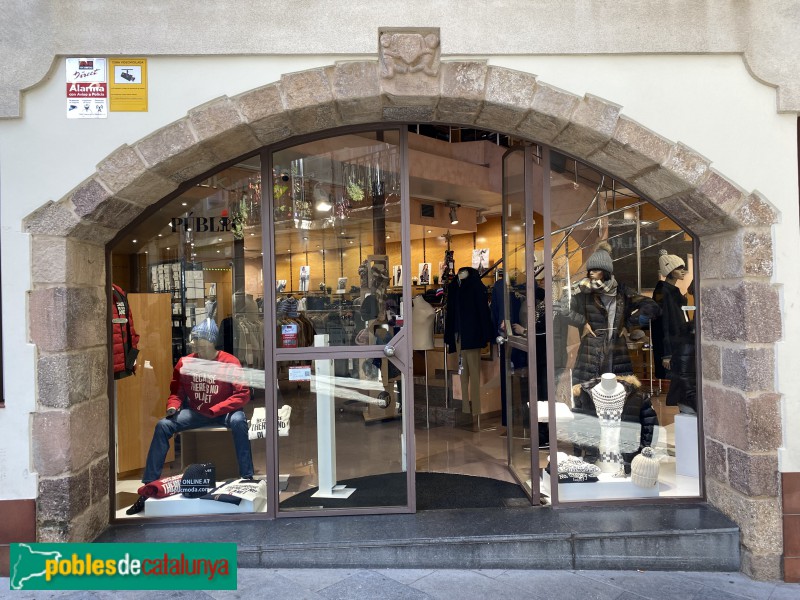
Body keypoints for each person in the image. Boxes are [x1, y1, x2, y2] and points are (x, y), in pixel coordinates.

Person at [126, 319, 253, 515]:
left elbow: (242, 394)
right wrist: (173, 406)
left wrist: (216, 409)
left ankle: (247, 477)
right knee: (163, 425)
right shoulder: (185, 363)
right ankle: (149, 487)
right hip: (197, 412)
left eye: (198, 339)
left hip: (224, 411)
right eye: (194, 339)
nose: (193, 343)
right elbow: (176, 392)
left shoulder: (229, 362)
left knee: (239, 421)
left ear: (210, 341)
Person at [567, 242, 660, 385]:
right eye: (590, 269)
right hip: (591, 350)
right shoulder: (583, 291)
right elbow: (560, 308)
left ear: (605, 271)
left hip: (616, 350)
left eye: (596, 269)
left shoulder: (621, 291)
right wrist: (582, 322)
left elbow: (652, 307)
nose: (591, 273)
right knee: (588, 388)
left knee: (617, 389)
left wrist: (628, 325)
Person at [656, 250, 697, 414]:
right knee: (681, 377)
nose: (683, 271)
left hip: (681, 341)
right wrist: (666, 353)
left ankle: (686, 407)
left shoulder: (674, 292)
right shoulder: (664, 292)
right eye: (679, 268)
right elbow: (663, 323)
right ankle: (685, 406)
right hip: (674, 344)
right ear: (670, 271)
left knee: (684, 376)